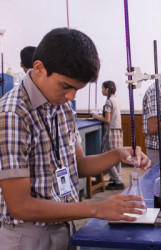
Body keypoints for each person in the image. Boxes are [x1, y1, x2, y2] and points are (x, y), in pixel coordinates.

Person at [0, 28, 151, 250]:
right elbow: (21, 206)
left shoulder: (62, 108)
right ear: (39, 68)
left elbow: (78, 165)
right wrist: (97, 209)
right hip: (29, 236)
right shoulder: (12, 115)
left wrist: (118, 153)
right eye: (66, 86)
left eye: (77, 90)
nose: (72, 97)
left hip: (64, 226)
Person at [92, 81, 124, 190]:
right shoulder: (116, 100)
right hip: (118, 131)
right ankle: (116, 178)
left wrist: (96, 116)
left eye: (102, 88)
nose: (101, 90)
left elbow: (107, 119)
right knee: (117, 157)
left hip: (111, 132)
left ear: (107, 89)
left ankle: (118, 181)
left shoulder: (108, 102)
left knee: (108, 158)